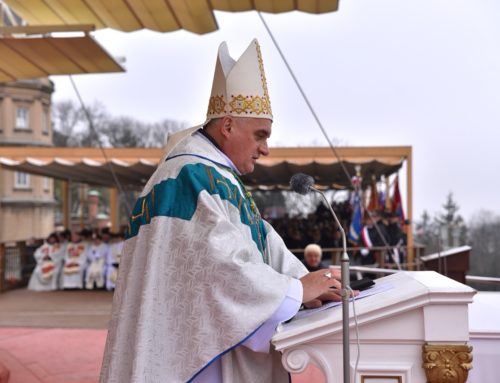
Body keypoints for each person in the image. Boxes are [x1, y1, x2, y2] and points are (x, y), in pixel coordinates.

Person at [100, 39, 345, 383]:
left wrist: (319, 284)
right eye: (260, 135)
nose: (265, 149)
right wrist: (297, 291)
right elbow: (221, 267)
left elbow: (262, 245)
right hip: (196, 363)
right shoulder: (190, 175)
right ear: (228, 126)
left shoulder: (216, 176)